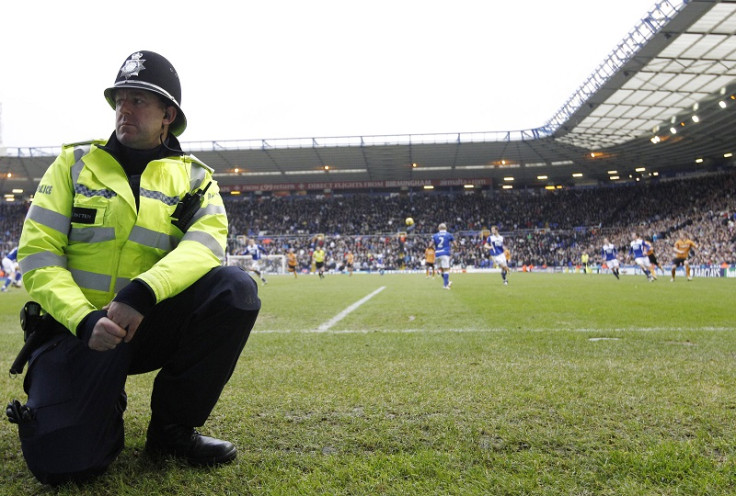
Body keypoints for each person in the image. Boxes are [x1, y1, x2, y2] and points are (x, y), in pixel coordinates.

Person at [7, 50, 261, 486]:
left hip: (146, 323)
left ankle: (171, 432)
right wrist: (84, 320)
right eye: (121, 98)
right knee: (65, 466)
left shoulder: (196, 179)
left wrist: (141, 294)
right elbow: (38, 253)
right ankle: (99, 400)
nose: (125, 108)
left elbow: (204, 247)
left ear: (169, 114)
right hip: (76, 330)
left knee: (234, 289)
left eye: (139, 100)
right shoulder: (73, 164)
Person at [432, 223, 455, 289]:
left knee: (441, 269)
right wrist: (455, 248)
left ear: (439, 229)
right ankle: (445, 285)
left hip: (437, 254)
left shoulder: (435, 235)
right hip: (445, 253)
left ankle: (447, 282)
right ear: (446, 228)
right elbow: (455, 244)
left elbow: (430, 245)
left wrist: (434, 249)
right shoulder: (448, 234)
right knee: (446, 269)